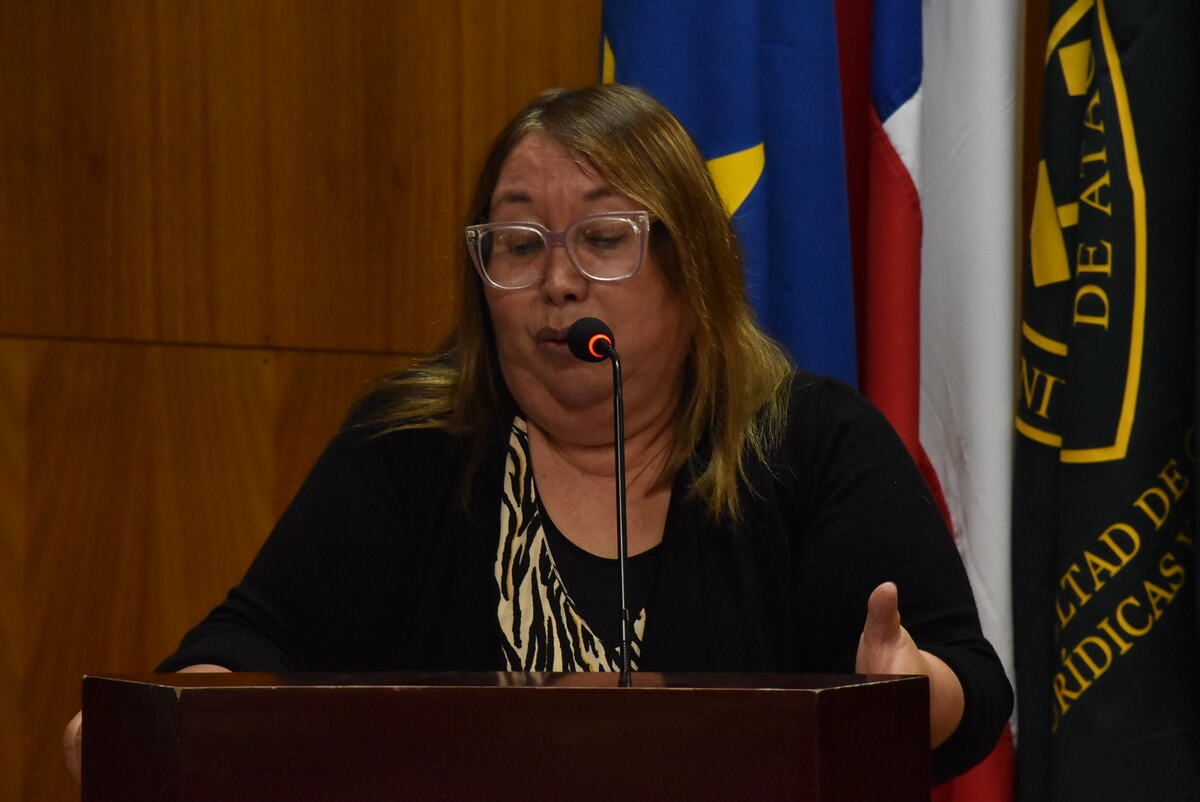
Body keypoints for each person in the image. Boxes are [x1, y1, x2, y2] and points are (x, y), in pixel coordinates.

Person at [64, 84, 1011, 784]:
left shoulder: (809, 444)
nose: (557, 283)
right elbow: (259, 641)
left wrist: (907, 692)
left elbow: (969, 693)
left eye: (602, 239)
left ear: (692, 269)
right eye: (518, 246)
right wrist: (167, 723)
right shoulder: (416, 449)